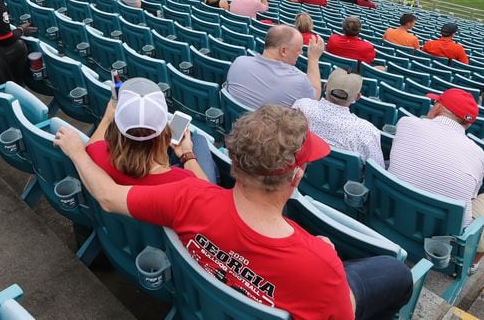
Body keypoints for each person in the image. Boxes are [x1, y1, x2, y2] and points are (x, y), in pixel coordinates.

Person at [54, 104, 413, 320]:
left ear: (235, 164)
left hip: (207, 301)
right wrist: (327, 256)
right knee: (395, 273)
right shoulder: (318, 262)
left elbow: (107, 196)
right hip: (312, 279)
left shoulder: (188, 195)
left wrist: (77, 151)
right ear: (297, 174)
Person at [387, 89, 484, 265]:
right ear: (467, 123)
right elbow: (471, 198)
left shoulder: (406, 123)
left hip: (390, 215)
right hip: (441, 238)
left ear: (438, 107)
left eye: (435, 104)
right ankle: (472, 264)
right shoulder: (478, 155)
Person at [84, 78, 212, 184]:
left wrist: (107, 118)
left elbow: (92, 144)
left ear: (116, 128)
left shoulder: (95, 155)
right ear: (164, 132)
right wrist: (187, 155)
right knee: (199, 140)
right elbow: (207, 190)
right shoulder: (182, 180)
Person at [294, 69, 384, 164]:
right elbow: (377, 168)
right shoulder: (367, 131)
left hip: (300, 174)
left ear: (325, 87)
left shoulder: (301, 106)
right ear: (357, 97)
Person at [225, 25, 323, 109]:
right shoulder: (299, 82)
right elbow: (315, 97)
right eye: (298, 50)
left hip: (234, 126)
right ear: (283, 51)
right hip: (267, 130)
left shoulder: (239, 61)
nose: (301, 53)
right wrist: (313, 59)